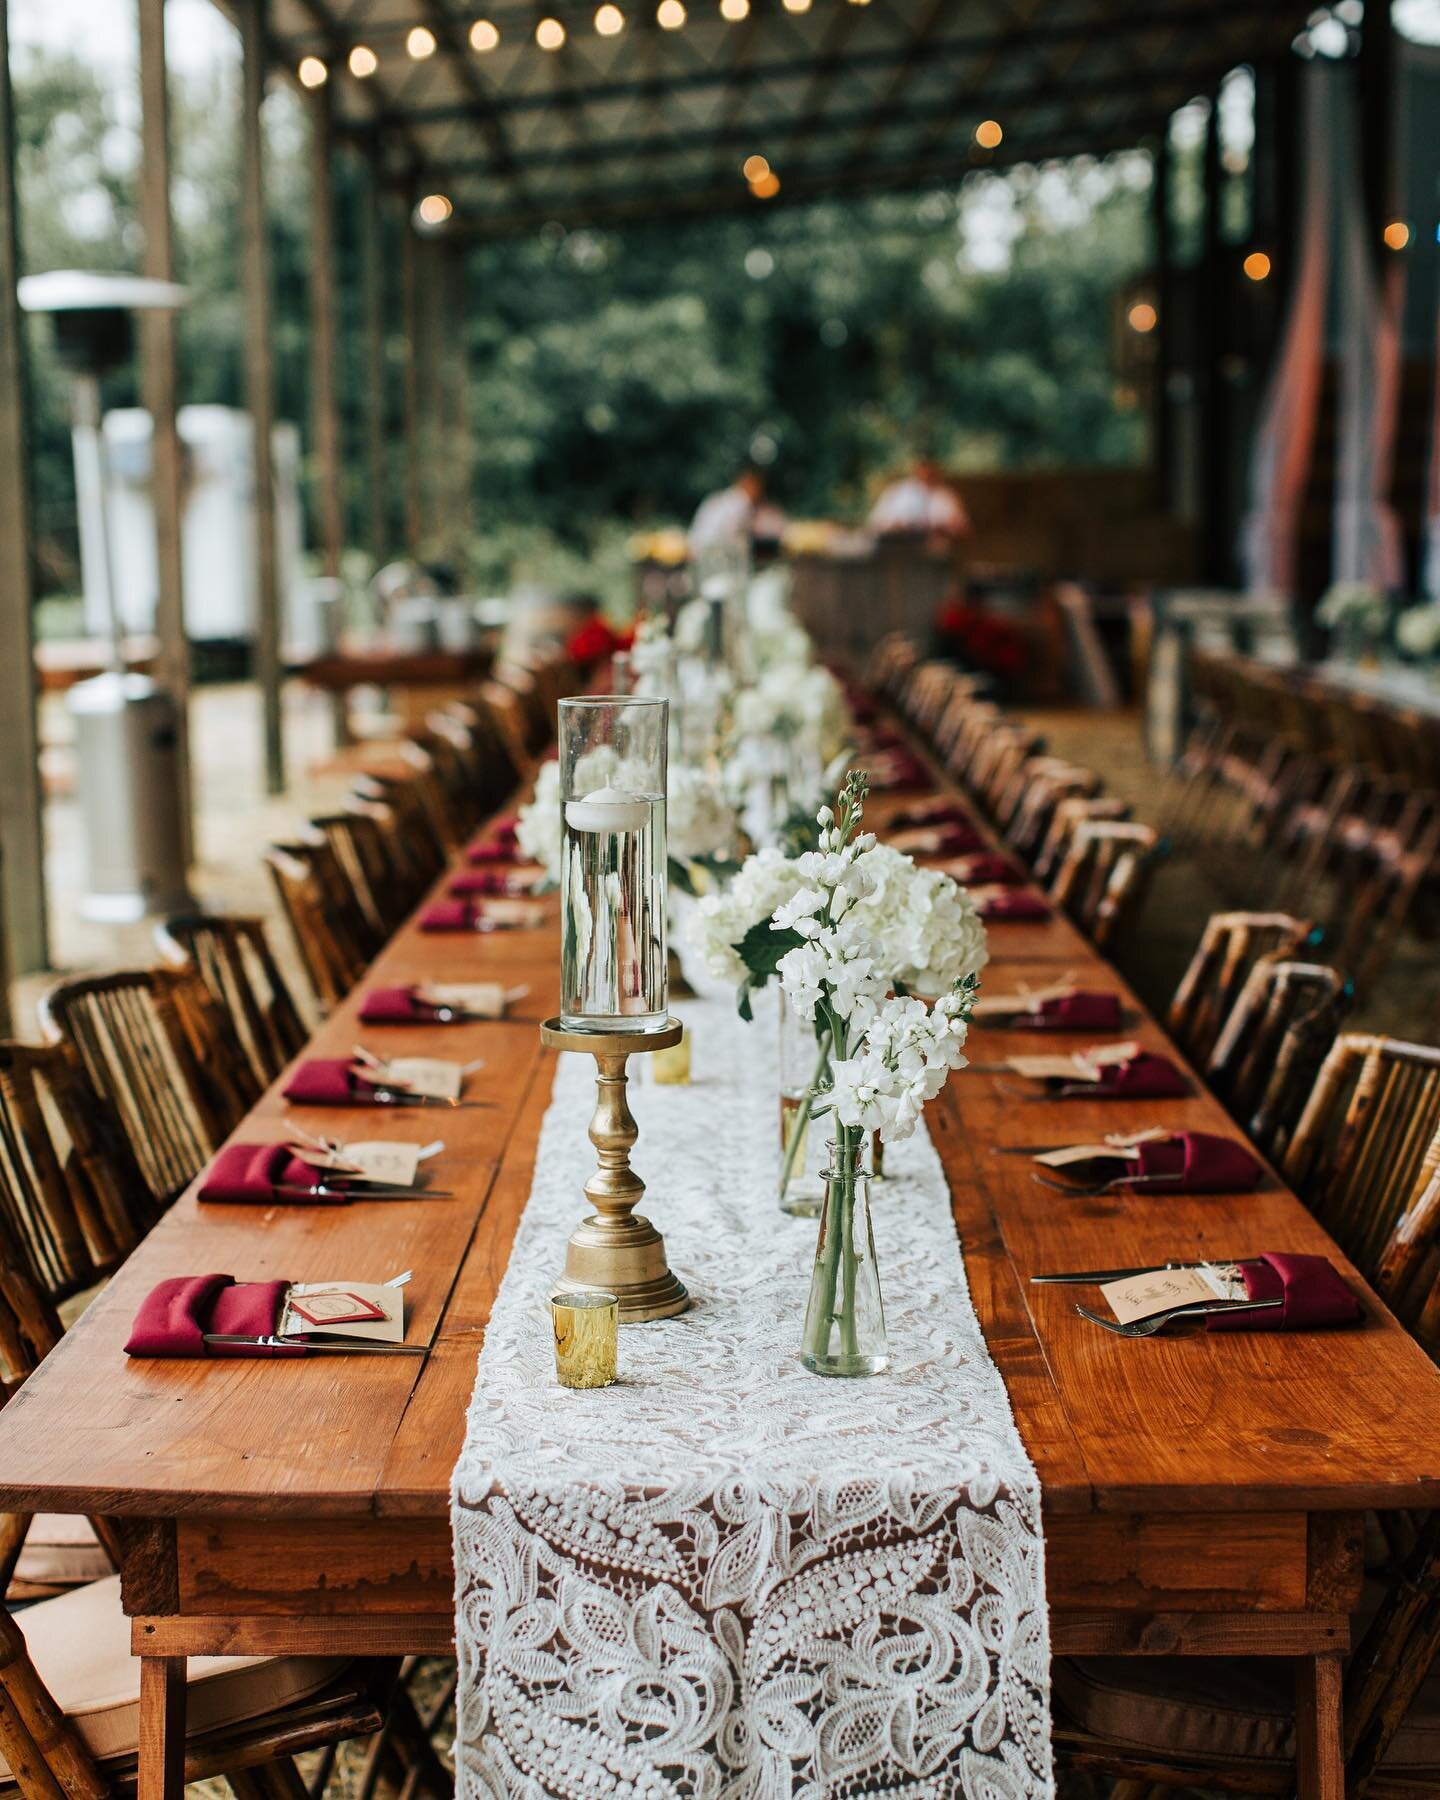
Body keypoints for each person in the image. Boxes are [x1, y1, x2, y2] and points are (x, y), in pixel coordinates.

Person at [688, 466, 787, 557]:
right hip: (716, 559)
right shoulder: (740, 502)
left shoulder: (720, 499)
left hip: (704, 556)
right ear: (750, 483)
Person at [868, 457, 970, 544]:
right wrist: (895, 526)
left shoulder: (946, 496)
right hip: (898, 544)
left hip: (934, 545)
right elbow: (876, 522)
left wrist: (944, 528)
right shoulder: (896, 492)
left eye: (930, 474)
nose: (925, 476)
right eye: (922, 473)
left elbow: (962, 528)